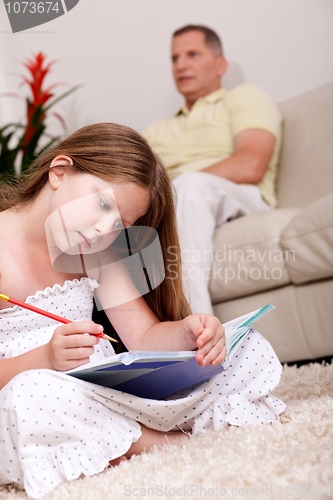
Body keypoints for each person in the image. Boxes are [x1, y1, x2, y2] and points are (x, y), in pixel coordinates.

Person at [0, 123, 285, 498]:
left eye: (120, 224)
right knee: (32, 396)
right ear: (59, 171)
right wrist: (45, 357)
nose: (105, 228)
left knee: (243, 348)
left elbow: (143, 337)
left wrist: (190, 331)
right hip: (31, 393)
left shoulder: (95, 248)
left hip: (102, 393)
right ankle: (162, 443)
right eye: (103, 203)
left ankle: (117, 440)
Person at [144, 25, 283, 315]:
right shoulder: (158, 130)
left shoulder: (243, 98)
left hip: (241, 197)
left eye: (192, 54)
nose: (181, 64)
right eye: (174, 58)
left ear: (220, 65)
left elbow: (251, 164)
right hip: (179, 200)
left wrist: (177, 183)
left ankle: (199, 329)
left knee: (190, 186)